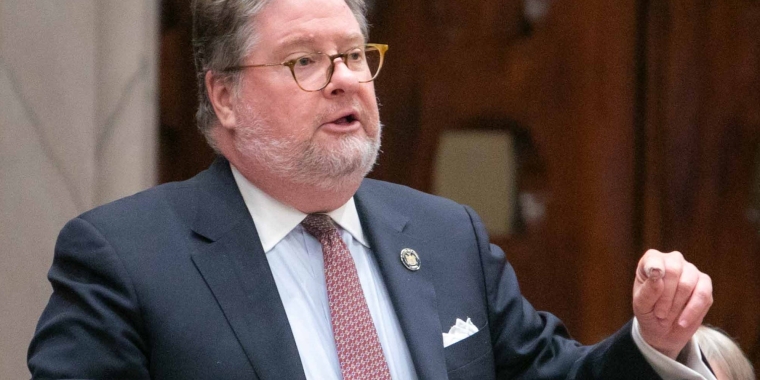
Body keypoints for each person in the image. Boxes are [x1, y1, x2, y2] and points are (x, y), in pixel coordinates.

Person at [27, 0, 715, 379]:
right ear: (224, 95)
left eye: (355, 54)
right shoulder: (126, 259)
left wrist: (652, 341)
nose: (346, 78)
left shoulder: (448, 238)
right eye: (305, 60)